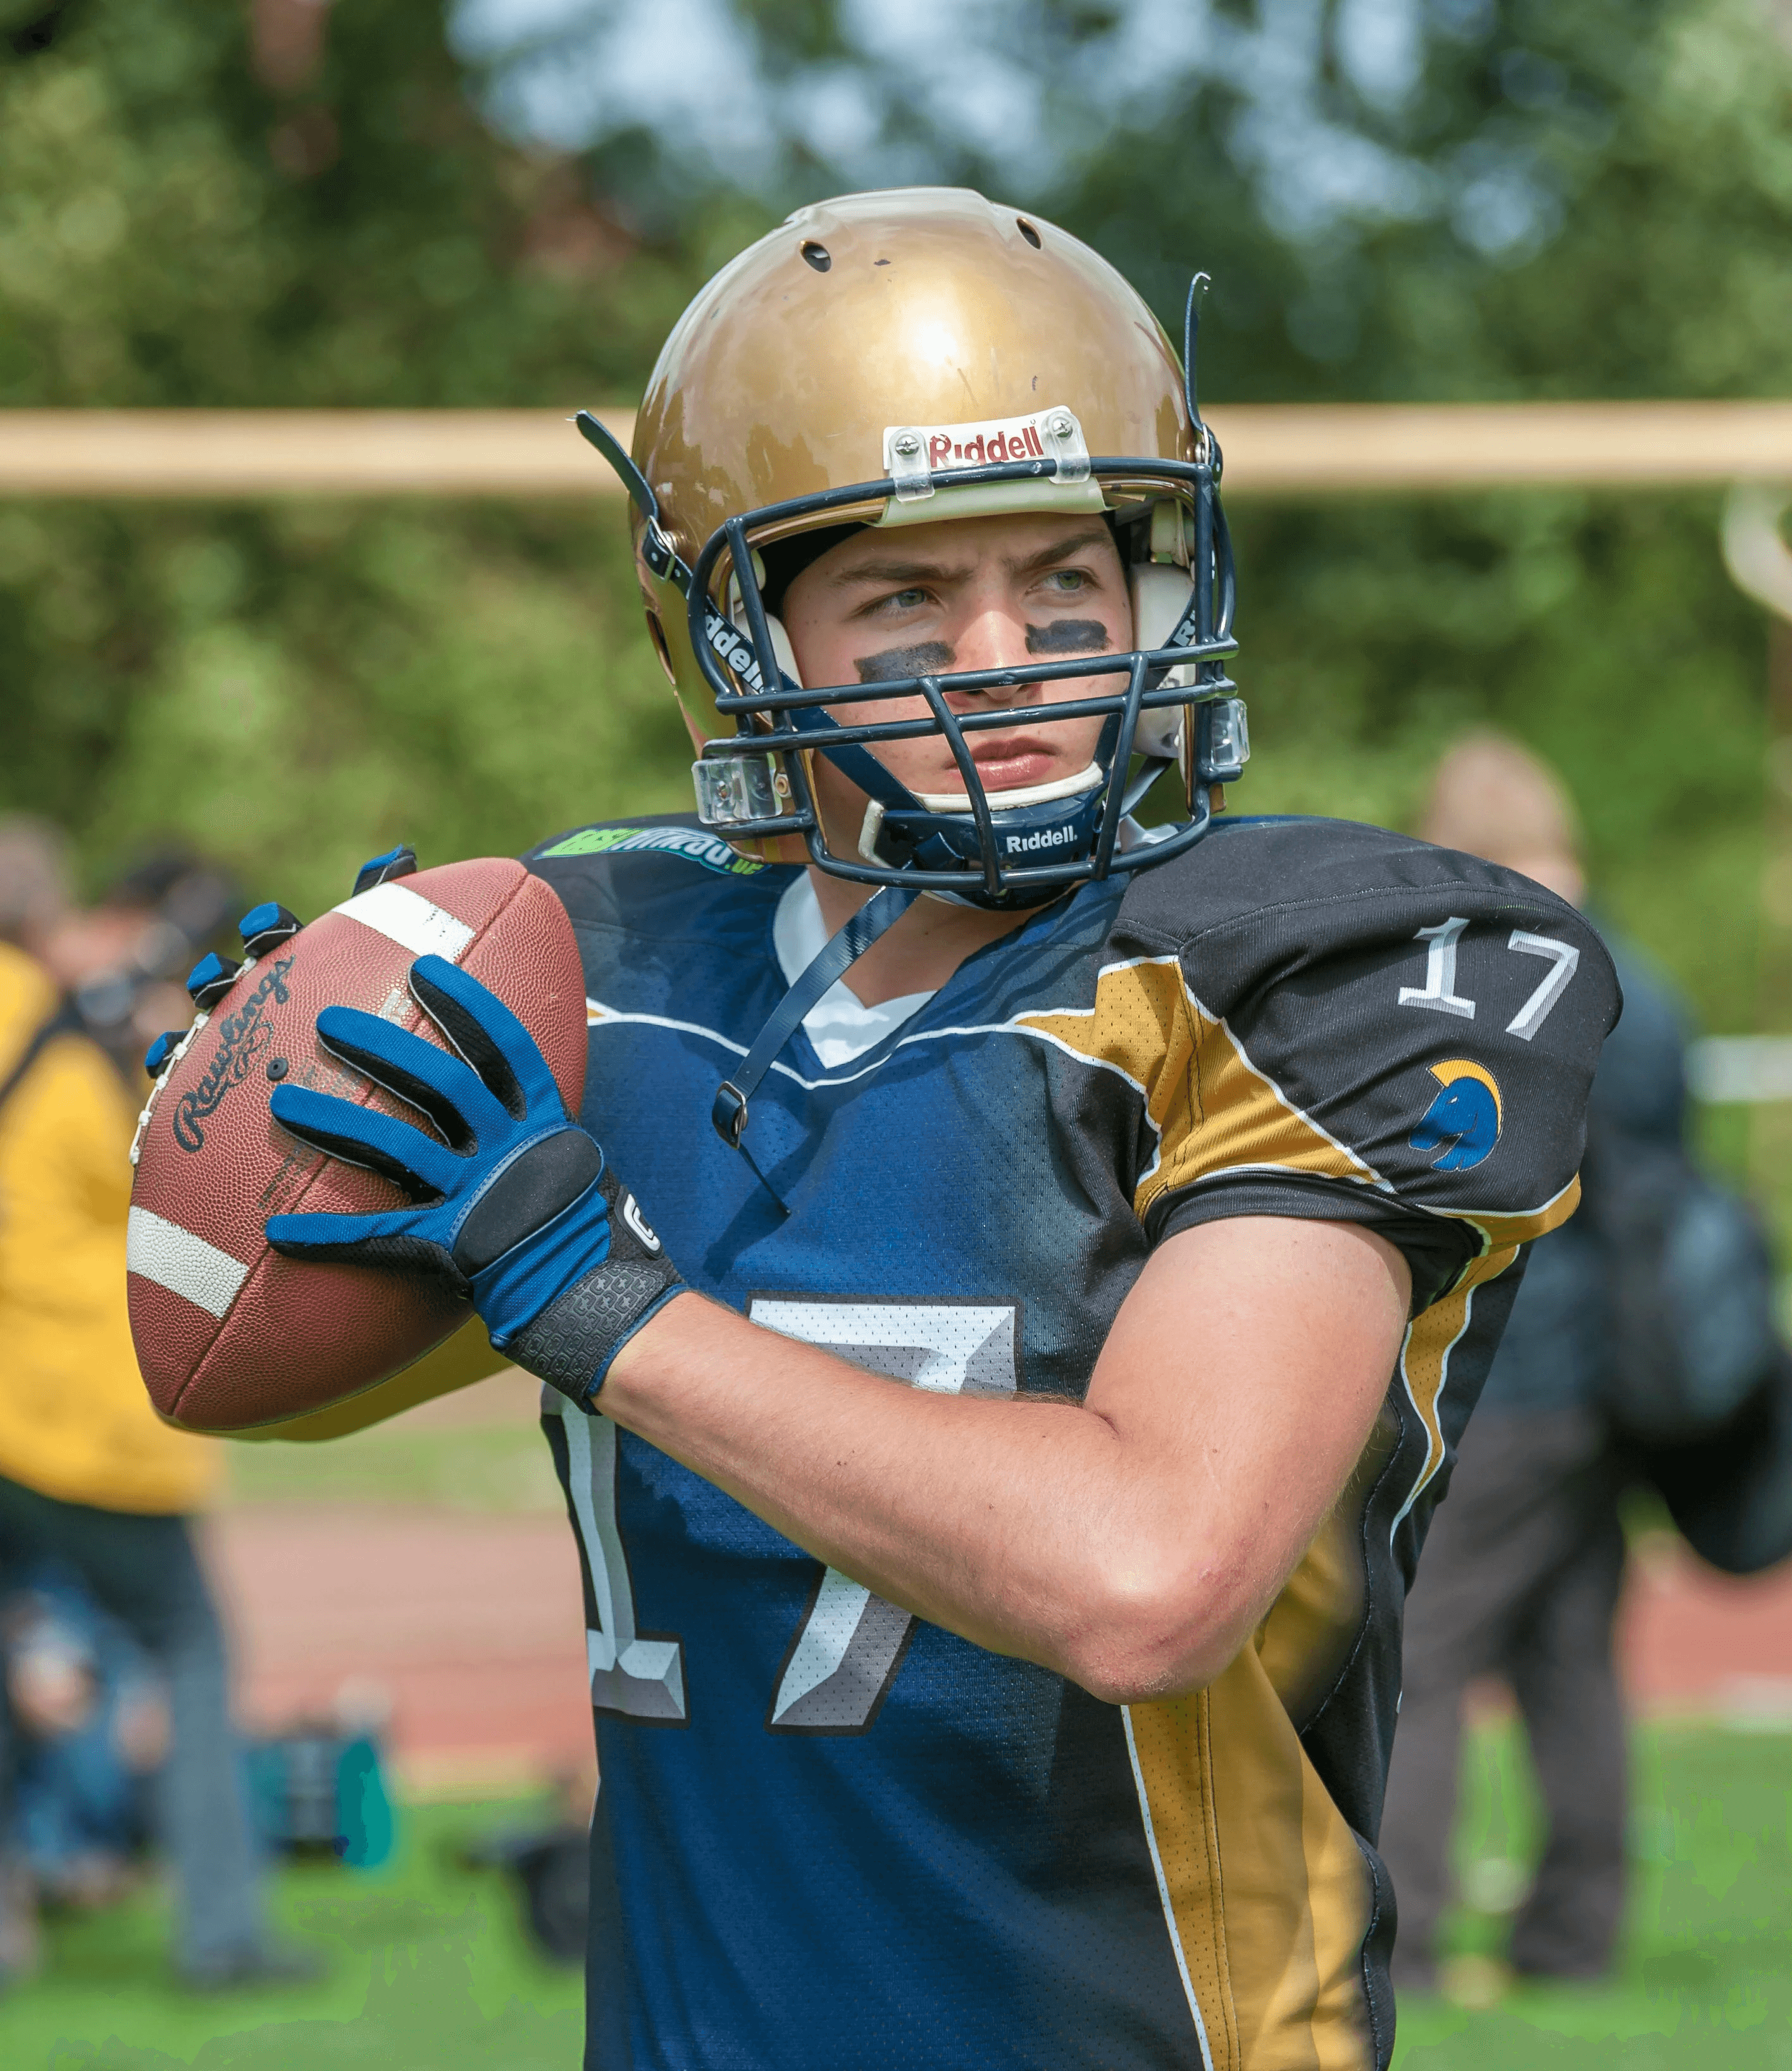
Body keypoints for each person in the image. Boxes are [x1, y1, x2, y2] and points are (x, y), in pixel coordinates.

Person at [213, 191, 1617, 2067]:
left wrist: (600, 1302)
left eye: (1065, 578)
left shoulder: (1301, 971)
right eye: (903, 595)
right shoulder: (607, 964)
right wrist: (276, 1143)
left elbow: (1151, 1576)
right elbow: (239, 1381)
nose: (1010, 655)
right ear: (742, 630)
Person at [1378, 734, 1684, 1995]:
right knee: (1572, 1661)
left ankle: (1412, 1934)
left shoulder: (1481, 986)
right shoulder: (1646, 985)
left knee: (1426, 1655)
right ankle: (1574, 1939)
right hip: (1622, 1377)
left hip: (1504, 1375)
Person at [0, 819, 308, 1989]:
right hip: (75, 1405)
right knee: (185, 1644)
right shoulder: (75, 1020)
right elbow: (180, 1158)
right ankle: (222, 1936)